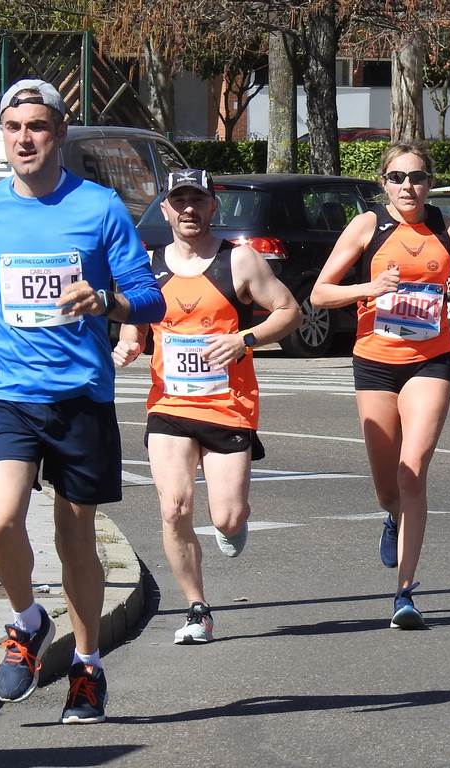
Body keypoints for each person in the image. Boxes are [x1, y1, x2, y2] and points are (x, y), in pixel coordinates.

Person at [0, 78, 165, 724]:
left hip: (80, 398)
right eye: (14, 129)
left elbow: (149, 298)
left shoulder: (99, 209)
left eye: (37, 127)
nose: (25, 139)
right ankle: (26, 620)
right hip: (8, 393)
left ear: (60, 133)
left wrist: (107, 302)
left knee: (76, 538)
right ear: (3, 137)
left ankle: (88, 667)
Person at [112, 169, 301, 644]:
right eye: (180, 201)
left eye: (198, 200)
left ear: (213, 206)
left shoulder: (239, 260)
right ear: (166, 209)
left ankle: (233, 523)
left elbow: (289, 310)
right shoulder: (148, 264)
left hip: (228, 407)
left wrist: (244, 339)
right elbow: (135, 319)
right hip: (169, 405)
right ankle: (197, 609)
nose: (189, 209)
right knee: (174, 507)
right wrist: (129, 343)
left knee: (227, 517)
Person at [310, 143, 450, 628]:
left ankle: (405, 592)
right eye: (398, 177)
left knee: (412, 471)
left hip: (431, 359)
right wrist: (368, 289)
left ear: (430, 183)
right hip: (375, 362)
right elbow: (320, 293)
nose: (408, 186)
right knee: (386, 487)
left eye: (418, 177)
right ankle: (391, 516)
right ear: (383, 183)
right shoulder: (368, 227)